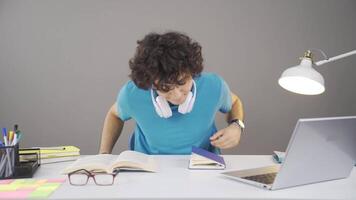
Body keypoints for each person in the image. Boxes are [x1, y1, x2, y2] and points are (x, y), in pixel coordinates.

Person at [99, 31, 244, 155]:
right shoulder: (133, 94)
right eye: (164, 88)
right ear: (151, 84)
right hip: (148, 172)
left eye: (182, 83)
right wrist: (103, 155)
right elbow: (114, 114)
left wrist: (236, 125)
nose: (177, 96)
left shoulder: (214, 86)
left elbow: (235, 101)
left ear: (192, 72)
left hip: (201, 169)